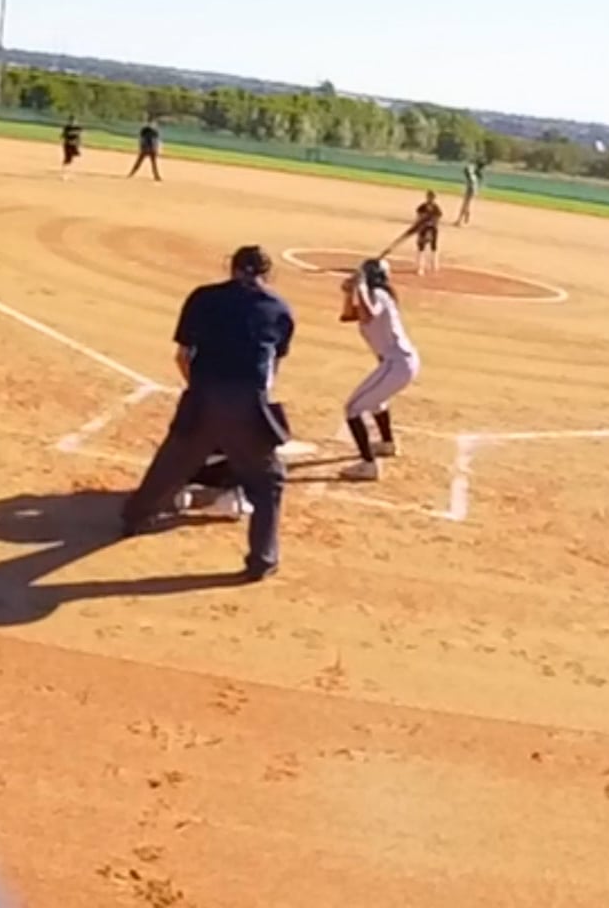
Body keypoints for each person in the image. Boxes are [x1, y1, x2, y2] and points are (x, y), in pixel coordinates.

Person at [121, 246, 295, 581]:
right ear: (268, 273)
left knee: (174, 461)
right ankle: (262, 559)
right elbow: (271, 368)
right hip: (248, 401)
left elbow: (182, 356)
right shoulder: (279, 309)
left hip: (203, 394)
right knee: (268, 480)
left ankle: (135, 518)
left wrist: (200, 389)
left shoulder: (203, 298)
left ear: (232, 268)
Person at [337, 258, 419, 482]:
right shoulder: (378, 296)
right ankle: (387, 443)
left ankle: (368, 465)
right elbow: (348, 315)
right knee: (376, 402)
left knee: (352, 408)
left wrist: (361, 287)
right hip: (398, 363)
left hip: (396, 363)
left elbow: (369, 315)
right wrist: (349, 293)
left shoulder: (379, 296)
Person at [412, 190, 444, 275]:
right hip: (423, 229)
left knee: (433, 246)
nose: (430, 199)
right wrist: (418, 226)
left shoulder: (436, 208)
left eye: (432, 197)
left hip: (432, 229)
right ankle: (420, 267)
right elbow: (418, 217)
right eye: (429, 197)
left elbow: (437, 219)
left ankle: (434, 264)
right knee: (421, 248)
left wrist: (431, 226)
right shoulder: (422, 207)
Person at [455, 157, 487, 226]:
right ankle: (466, 213)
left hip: (470, 189)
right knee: (466, 204)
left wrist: (470, 165)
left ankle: (459, 220)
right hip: (472, 189)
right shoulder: (478, 173)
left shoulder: (474, 171)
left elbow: (466, 172)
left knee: (464, 204)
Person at [59, 116, 83, 180]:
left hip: (74, 145)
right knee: (67, 159)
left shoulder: (78, 128)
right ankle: (64, 174)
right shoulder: (67, 127)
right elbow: (62, 136)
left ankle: (68, 170)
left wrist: (78, 144)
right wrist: (67, 140)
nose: (72, 122)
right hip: (67, 145)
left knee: (74, 156)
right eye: (71, 121)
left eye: (73, 121)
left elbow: (79, 137)